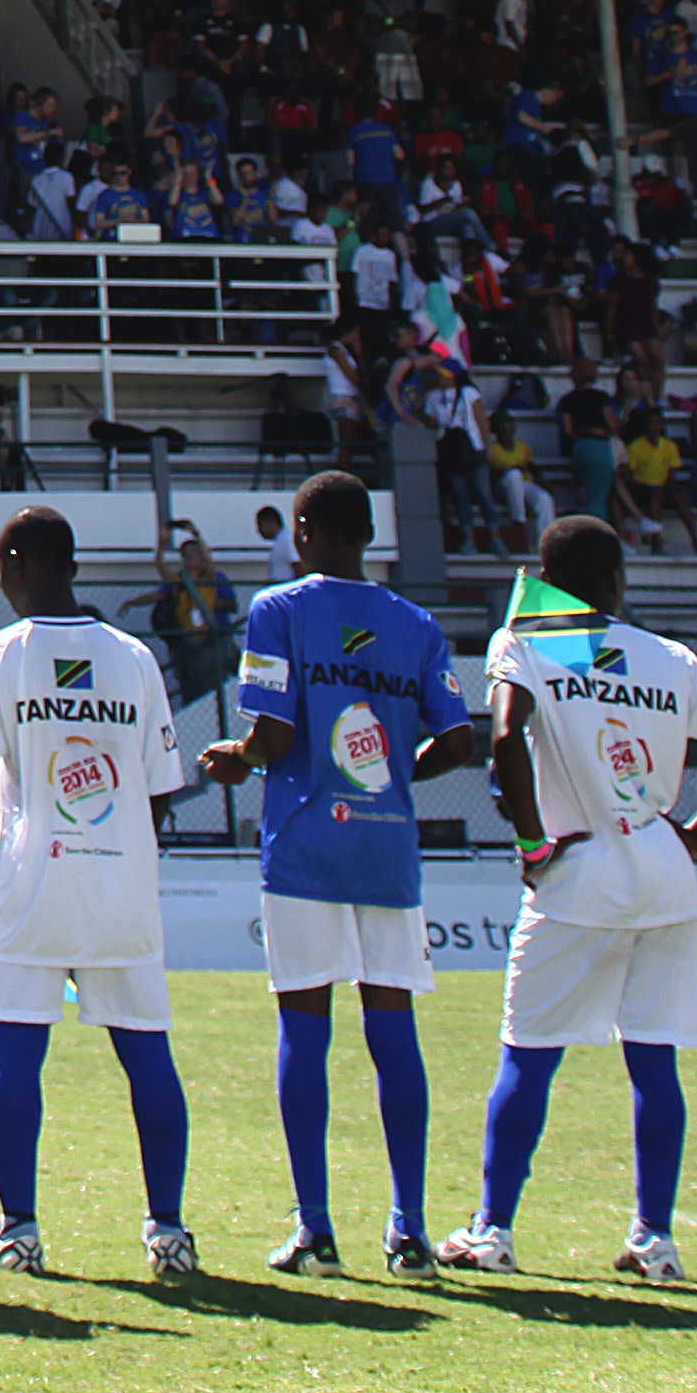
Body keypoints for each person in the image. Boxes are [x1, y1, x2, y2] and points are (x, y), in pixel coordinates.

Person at [453, 514, 697, 1280]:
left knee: (528, 1057)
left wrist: (531, 843)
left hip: (579, 865)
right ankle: (655, 1239)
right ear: (616, 582)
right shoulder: (672, 657)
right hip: (661, 865)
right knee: (655, 1064)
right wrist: (692, 837)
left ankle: (492, 1232)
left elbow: (502, 740)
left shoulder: (526, 640)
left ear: (546, 581)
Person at [197, 468, 485, 1273]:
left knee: (305, 1027)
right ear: (370, 536)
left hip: (304, 844)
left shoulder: (279, 610)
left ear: (301, 532)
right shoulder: (416, 622)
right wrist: (390, 775)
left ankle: (317, 1230)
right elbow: (459, 742)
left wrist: (236, 759)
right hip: (388, 843)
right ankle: (410, 1231)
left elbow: (275, 736)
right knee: (394, 1031)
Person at [0, 505, 194, 1280]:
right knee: (146, 1053)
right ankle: (169, 1234)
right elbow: (159, 793)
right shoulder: (135, 658)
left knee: (17, 1051)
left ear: (17, 562)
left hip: (28, 876)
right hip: (121, 880)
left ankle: (19, 1231)